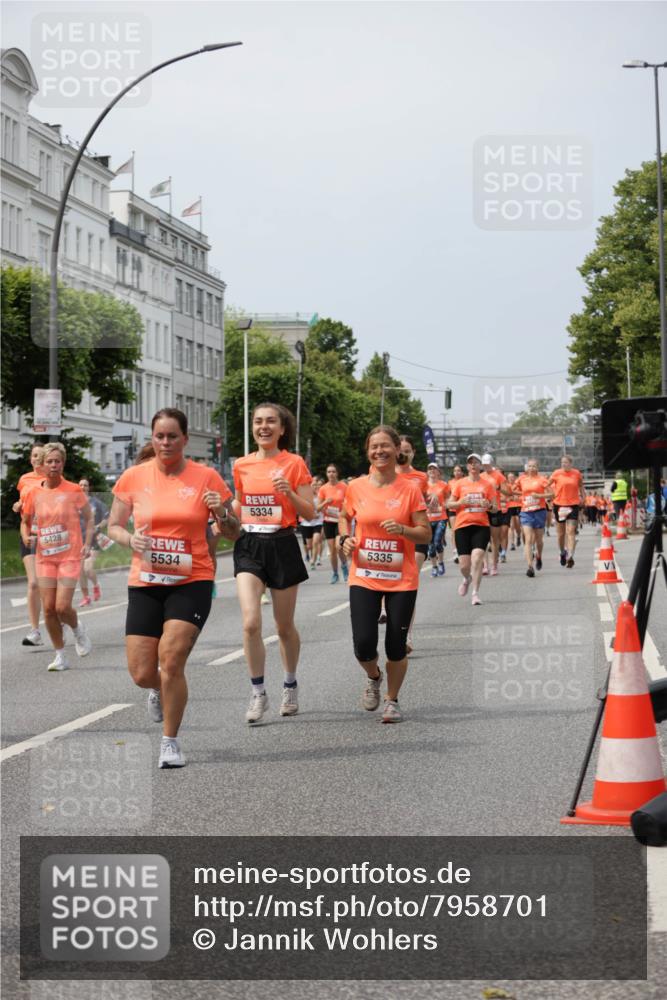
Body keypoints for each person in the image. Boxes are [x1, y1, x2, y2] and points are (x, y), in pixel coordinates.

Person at [108, 408, 239, 769]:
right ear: (152, 438)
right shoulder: (134, 477)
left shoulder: (207, 477)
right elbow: (113, 526)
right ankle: (156, 689)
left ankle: (170, 742)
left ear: (185, 439)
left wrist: (222, 514)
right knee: (141, 672)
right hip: (146, 581)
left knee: (172, 658)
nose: (165, 442)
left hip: (192, 579)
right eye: (159, 436)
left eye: (172, 436)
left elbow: (233, 532)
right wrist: (129, 539)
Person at [339, 425, 430, 723]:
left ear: (397, 450)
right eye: (374, 446)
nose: (379, 451)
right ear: (368, 451)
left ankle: (392, 700)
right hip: (364, 574)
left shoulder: (410, 488)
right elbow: (344, 518)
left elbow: (425, 534)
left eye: (385, 446)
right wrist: (344, 539)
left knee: (395, 645)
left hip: (401, 579)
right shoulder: (356, 487)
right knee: (363, 644)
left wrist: (403, 529)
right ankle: (373, 676)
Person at [232, 402, 315, 723]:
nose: (263, 427)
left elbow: (309, 511)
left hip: (282, 544)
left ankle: (290, 684)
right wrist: (224, 515)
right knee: (251, 622)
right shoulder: (242, 464)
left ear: (282, 429)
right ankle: (257, 693)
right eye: (257, 422)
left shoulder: (294, 464)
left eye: (270, 422)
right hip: (249, 544)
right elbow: (241, 501)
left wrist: (289, 494)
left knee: (283, 626)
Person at [20, 443, 94, 671]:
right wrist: (25, 537)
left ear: (63, 463)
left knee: (62, 607)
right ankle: (60, 655)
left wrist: (88, 544)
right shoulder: (34, 492)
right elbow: (25, 521)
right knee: (49, 609)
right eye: (49, 461)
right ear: (42, 464)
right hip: (45, 557)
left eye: (58, 461)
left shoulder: (73, 490)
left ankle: (77, 629)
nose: (54, 465)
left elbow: (89, 519)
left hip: (69, 556)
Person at [447, 453, 497, 606]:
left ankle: (475, 593)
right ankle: (467, 579)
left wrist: (487, 505)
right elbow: (449, 505)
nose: (473, 465)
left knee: (477, 559)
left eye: (476, 462)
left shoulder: (488, 485)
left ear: (480, 465)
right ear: (467, 466)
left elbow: (495, 508)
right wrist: (461, 501)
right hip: (462, 526)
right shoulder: (459, 484)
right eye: (470, 463)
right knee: (464, 565)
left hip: (481, 526)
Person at [13, 444, 46, 647]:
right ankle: (35, 631)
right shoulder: (24, 479)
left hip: (50, 538)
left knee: (51, 587)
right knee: (33, 583)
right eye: (34, 456)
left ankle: (63, 620)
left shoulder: (51, 480)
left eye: (40, 456)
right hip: (28, 536)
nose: (36, 459)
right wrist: (18, 506)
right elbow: (22, 503)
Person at [548, 455, 586, 568]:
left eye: (565, 462)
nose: (563, 464)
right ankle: (562, 552)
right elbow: (546, 485)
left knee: (571, 531)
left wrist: (583, 498)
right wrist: (551, 496)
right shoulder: (556, 473)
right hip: (559, 505)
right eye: (562, 462)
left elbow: (581, 487)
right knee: (560, 534)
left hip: (573, 505)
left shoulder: (577, 473)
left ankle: (570, 556)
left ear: (570, 463)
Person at [515, 459, 552, 577]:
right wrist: (522, 495)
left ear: (538, 468)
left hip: (539, 511)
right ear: (527, 468)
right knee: (529, 538)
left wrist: (539, 495)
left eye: (534, 466)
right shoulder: (522, 479)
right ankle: (530, 566)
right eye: (530, 466)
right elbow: (513, 490)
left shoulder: (542, 480)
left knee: (539, 540)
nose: (532, 468)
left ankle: (539, 556)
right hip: (526, 511)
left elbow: (552, 494)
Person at [77, 478, 109, 606]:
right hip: (79, 540)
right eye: (80, 485)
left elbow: (107, 518)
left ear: (89, 488)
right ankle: (86, 597)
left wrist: (98, 527)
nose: (83, 487)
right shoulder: (73, 503)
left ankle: (96, 586)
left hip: (94, 539)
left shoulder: (96, 503)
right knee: (80, 571)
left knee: (88, 568)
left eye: (85, 485)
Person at [318, 464, 349, 583]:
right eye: (329, 472)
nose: (331, 474)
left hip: (340, 520)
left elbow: (349, 502)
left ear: (337, 473)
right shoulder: (323, 488)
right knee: (332, 550)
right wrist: (326, 501)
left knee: (339, 546)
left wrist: (344, 510)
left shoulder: (343, 487)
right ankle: (335, 573)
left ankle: (344, 567)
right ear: (326, 474)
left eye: (333, 472)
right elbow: (318, 508)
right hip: (328, 521)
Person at [480, 452, 507, 576]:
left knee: (494, 540)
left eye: (488, 464)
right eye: (484, 465)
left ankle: (494, 565)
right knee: (484, 540)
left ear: (492, 463)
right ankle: (485, 565)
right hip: (482, 510)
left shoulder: (499, 476)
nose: (486, 467)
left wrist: (498, 488)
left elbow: (508, 492)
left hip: (495, 509)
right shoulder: (480, 476)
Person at [425, 462, 449, 577]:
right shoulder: (423, 486)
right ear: (427, 472)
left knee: (437, 541)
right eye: (430, 469)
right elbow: (419, 500)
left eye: (434, 469)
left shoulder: (444, 485)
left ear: (438, 472)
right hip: (428, 518)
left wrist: (442, 505)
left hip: (441, 517)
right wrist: (426, 506)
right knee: (430, 544)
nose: (432, 471)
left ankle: (441, 563)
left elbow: (449, 500)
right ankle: (434, 567)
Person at [446, 463, 464, 562]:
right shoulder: (450, 483)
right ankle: (455, 551)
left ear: (462, 472)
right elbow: (447, 496)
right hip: (453, 510)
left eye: (458, 470)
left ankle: (463, 549)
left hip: (463, 509)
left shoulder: (466, 481)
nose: (456, 472)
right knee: (454, 530)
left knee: (463, 530)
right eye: (455, 471)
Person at [505, 472, 522, 550]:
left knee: (517, 524)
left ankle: (518, 536)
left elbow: (524, 494)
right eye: (509, 477)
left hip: (518, 505)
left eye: (512, 477)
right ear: (507, 478)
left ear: (515, 478)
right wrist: (509, 498)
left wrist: (518, 497)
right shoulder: (506, 486)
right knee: (511, 526)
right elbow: (504, 497)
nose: (511, 478)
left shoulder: (518, 485)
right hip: (509, 507)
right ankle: (512, 543)